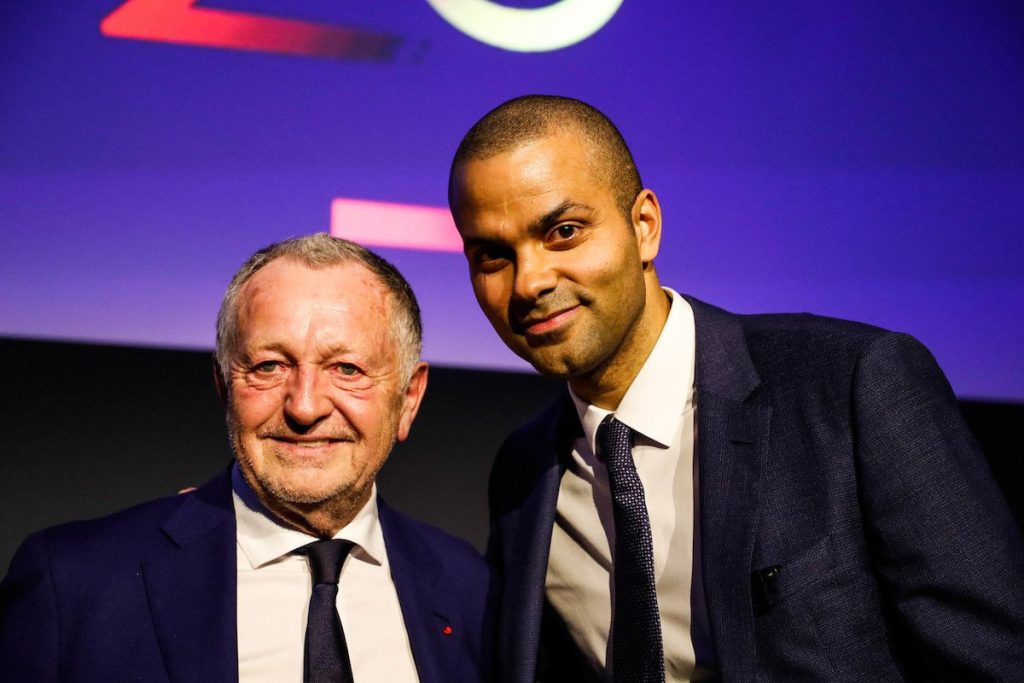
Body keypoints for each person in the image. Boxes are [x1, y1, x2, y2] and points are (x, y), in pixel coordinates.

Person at [447, 95, 1024, 681]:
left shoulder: (850, 384)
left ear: (644, 227)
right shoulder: (524, 472)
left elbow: (995, 658)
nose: (529, 283)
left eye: (564, 232)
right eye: (492, 256)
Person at [0, 233, 493, 682]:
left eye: (346, 368)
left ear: (408, 399)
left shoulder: (472, 591)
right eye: (269, 366)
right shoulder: (73, 582)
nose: (304, 406)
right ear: (223, 387)